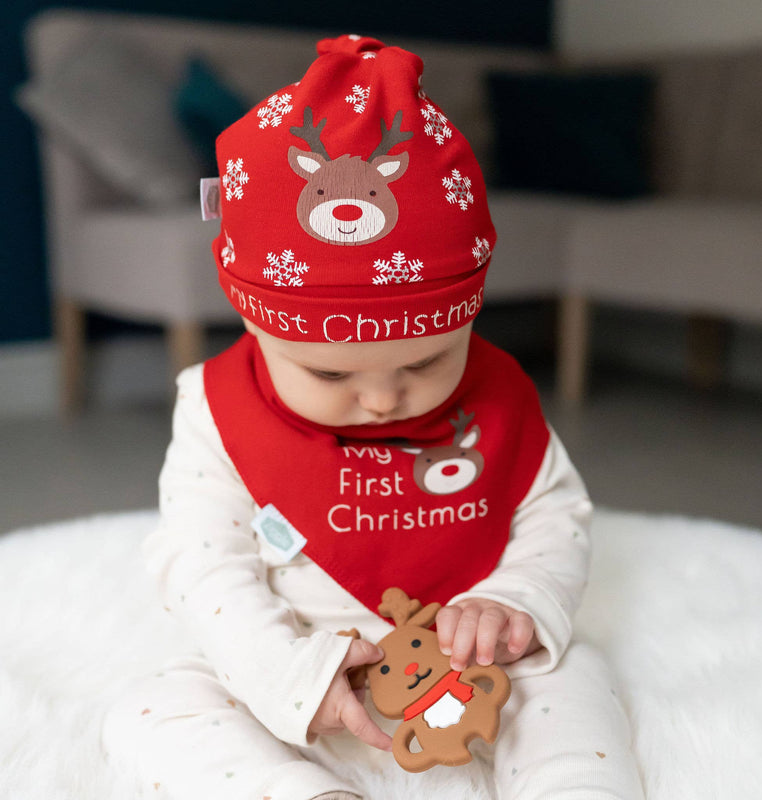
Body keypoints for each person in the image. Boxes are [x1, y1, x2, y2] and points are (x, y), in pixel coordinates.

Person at [103, 34, 644, 800]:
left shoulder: (501, 396)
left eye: (427, 362)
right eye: (328, 372)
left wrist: (515, 602)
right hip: (306, 661)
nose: (386, 399)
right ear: (254, 326)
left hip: (471, 668)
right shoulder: (216, 413)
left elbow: (555, 514)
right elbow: (201, 563)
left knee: (576, 675)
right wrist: (289, 674)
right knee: (149, 711)